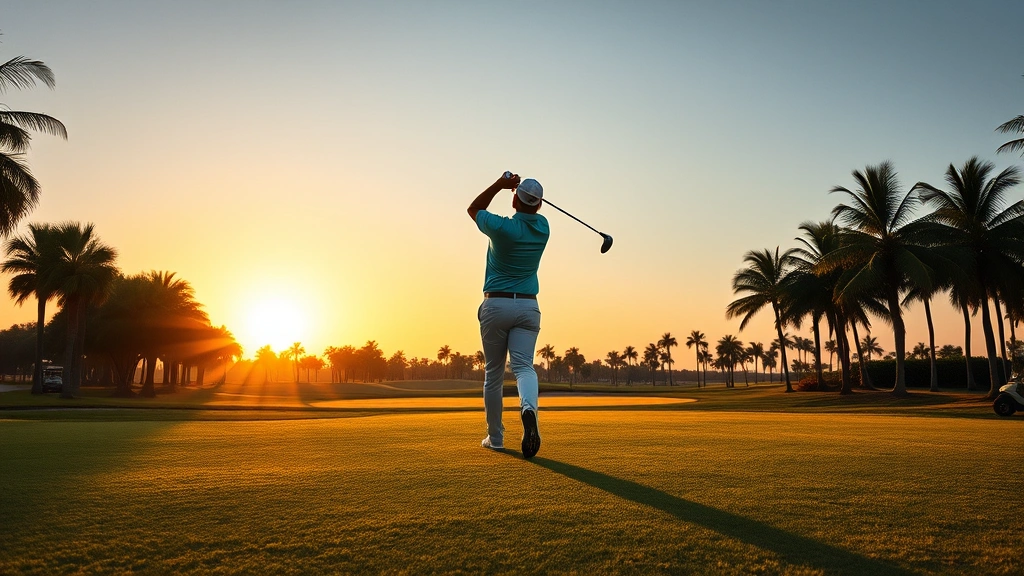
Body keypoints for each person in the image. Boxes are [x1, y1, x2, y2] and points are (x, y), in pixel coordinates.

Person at [467, 171, 549, 458]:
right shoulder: (543, 227)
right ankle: (528, 408)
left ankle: (496, 438)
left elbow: (474, 208)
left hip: (496, 305)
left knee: (493, 373)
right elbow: (528, 210)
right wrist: (520, 196)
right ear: (539, 206)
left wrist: (500, 184)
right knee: (524, 367)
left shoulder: (501, 228)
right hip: (528, 306)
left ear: (515, 200)